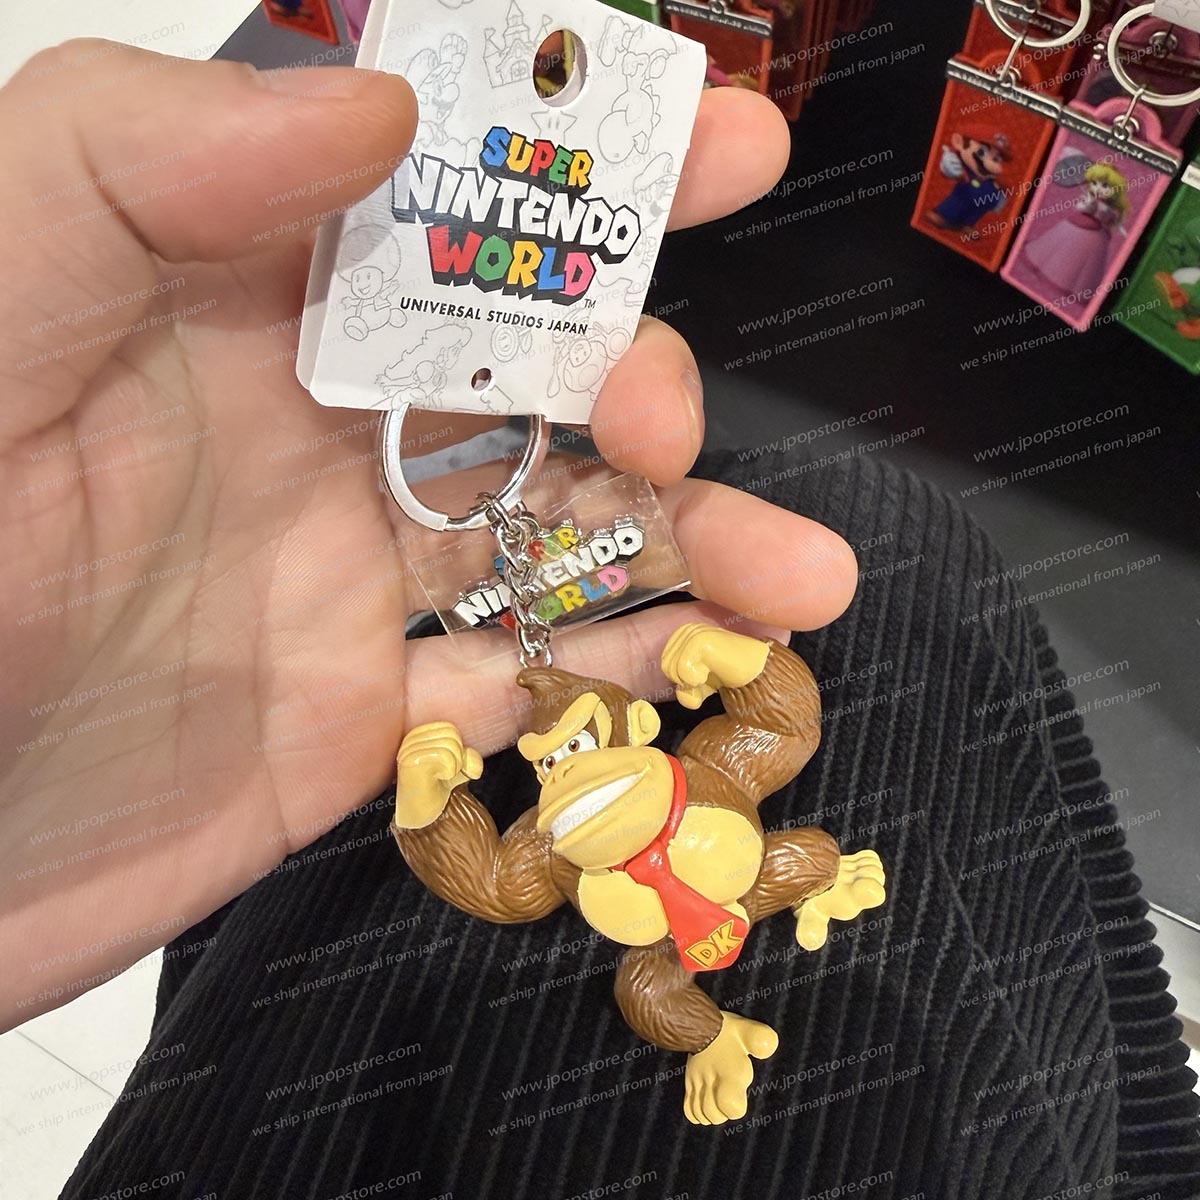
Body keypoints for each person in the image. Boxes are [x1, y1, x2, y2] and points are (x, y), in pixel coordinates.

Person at [1, 41, 1196, 1200]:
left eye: (573, 745)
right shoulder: (555, 850)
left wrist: (727, 658)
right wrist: (430, 804)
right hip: (687, 958)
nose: (566, 765)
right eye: (556, 757)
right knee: (880, 553)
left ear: (625, 725)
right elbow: (495, 886)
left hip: (734, 879)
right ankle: (723, 1037)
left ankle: (830, 894)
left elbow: (778, 728)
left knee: (824, 744)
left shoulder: (695, 774)